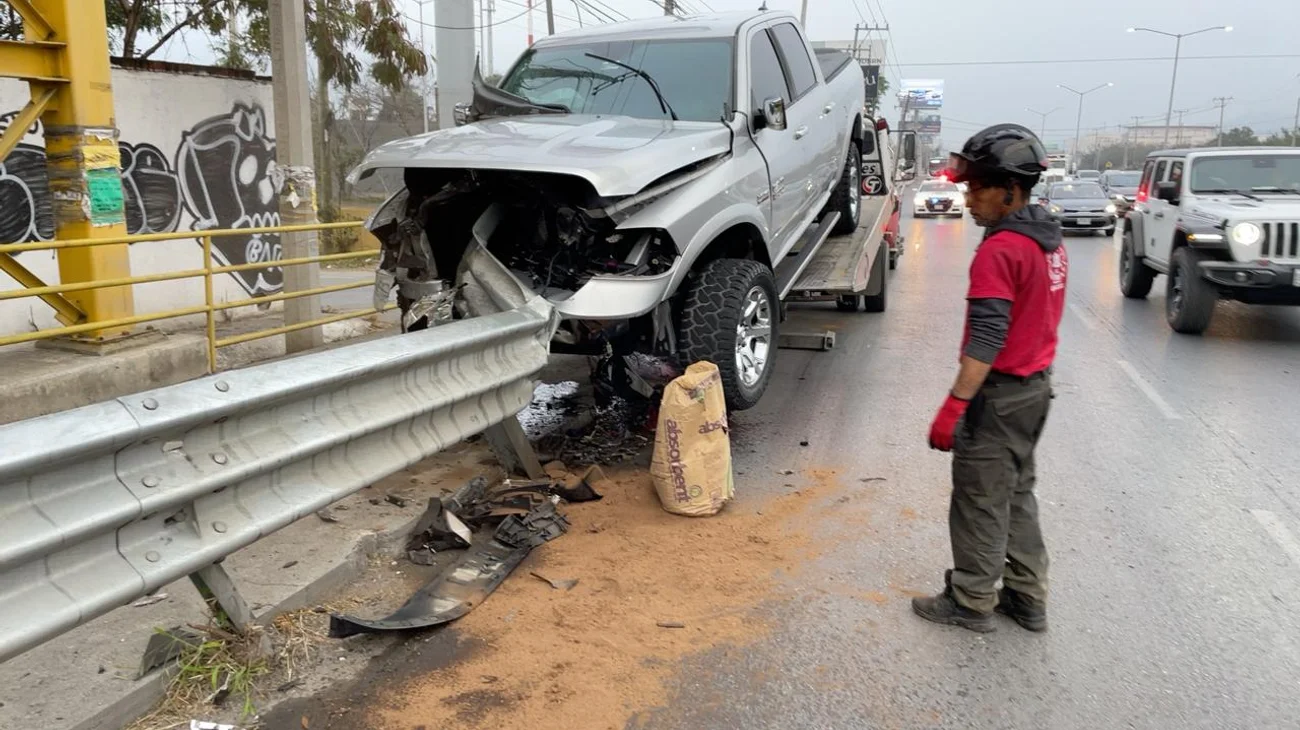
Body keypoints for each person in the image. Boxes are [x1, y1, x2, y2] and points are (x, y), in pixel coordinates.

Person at [912, 124, 1068, 634]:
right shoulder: (1047, 239)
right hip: (1035, 390)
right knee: (1017, 492)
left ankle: (972, 598)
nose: (968, 196)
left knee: (979, 497)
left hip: (999, 396)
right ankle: (1027, 596)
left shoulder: (1002, 250)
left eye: (977, 187)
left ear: (1011, 190)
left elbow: (986, 338)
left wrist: (954, 405)